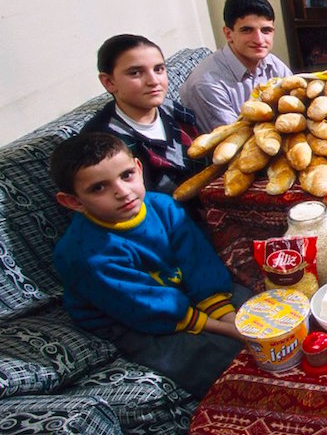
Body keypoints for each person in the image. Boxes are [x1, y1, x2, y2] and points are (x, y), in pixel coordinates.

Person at [50, 133, 249, 398]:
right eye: (99, 188)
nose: (122, 192)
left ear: (139, 168)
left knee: (259, 309)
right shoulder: (84, 254)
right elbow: (143, 306)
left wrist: (230, 316)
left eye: (127, 175)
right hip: (128, 316)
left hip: (178, 287)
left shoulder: (163, 206)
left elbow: (198, 262)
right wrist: (228, 329)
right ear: (73, 201)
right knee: (214, 357)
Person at [82, 34, 204, 195]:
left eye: (159, 69)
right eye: (135, 73)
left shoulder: (173, 110)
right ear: (109, 82)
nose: (153, 81)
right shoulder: (103, 141)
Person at [181, 0, 292, 133]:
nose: (259, 40)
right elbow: (234, 139)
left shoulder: (272, 63)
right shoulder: (206, 83)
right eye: (247, 30)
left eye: (266, 30)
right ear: (228, 34)